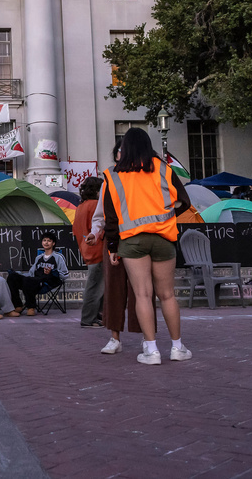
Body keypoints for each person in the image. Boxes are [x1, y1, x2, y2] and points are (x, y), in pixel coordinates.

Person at [102, 127, 192, 365]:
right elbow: (185, 202)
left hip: (131, 240)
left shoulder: (113, 175)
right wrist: (166, 215)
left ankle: (151, 351)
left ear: (124, 148)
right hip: (164, 237)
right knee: (167, 295)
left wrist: (112, 247)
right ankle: (177, 347)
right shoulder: (164, 169)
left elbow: (110, 219)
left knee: (142, 294)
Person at [86, 144, 153, 355]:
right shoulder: (111, 179)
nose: (122, 158)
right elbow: (101, 213)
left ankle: (146, 336)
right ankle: (114, 337)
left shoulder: (146, 176)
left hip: (139, 237)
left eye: (126, 153)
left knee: (142, 290)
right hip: (114, 239)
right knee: (114, 289)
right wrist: (95, 233)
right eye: (118, 155)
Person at [6, 232, 69, 316]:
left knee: (28, 281)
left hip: (47, 282)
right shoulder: (38, 258)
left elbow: (65, 275)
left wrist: (52, 272)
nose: (46, 242)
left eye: (49, 241)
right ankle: (18, 305)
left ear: (53, 243)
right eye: (44, 240)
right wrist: (17, 274)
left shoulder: (58, 257)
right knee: (12, 277)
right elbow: (31, 273)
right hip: (33, 280)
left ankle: (31, 307)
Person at [74, 177, 105, 328]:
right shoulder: (95, 205)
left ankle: (95, 316)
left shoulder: (81, 206)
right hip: (98, 249)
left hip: (86, 249)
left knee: (96, 285)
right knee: (95, 287)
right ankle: (89, 318)